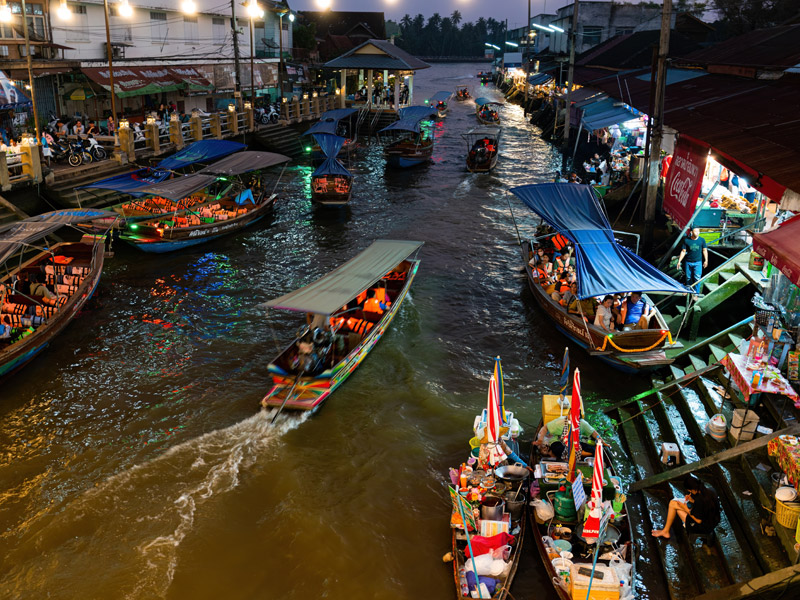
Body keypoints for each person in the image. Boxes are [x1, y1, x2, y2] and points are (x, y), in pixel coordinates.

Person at [652, 474, 720, 539]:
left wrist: (685, 508)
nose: (690, 493)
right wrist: (692, 500)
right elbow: (705, 505)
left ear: (691, 489)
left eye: (689, 491)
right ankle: (665, 531)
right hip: (713, 521)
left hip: (703, 527)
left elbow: (698, 520)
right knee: (673, 503)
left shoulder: (699, 501)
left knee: (674, 506)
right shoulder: (711, 490)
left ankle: (665, 531)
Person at [676, 227, 708, 294]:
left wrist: (706, 260)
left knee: (697, 278)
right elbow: (683, 251)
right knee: (688, 277)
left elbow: (704, 250)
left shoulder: (702, 240)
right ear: (691, 232)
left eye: (698, 231)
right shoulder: (686, 240)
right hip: (688, 262)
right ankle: (688, 290)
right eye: (695, 231)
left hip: (698, 262)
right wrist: (679, 261)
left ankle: (696, 293)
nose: (697, 233)